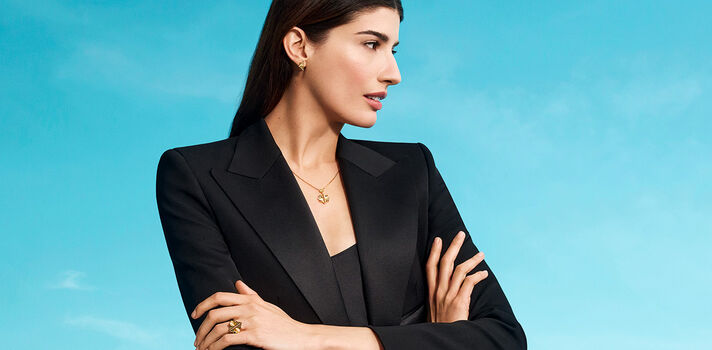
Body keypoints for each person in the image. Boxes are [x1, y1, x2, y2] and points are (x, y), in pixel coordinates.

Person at [154, 1, 526, 349]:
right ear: (300, 47)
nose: (393, 74)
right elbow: (230, 339)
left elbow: (504, 337)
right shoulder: (197, 178)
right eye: (370, 44)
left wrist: (307, 337)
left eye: (392, 50)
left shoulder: (413, 172)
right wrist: (436, 338)